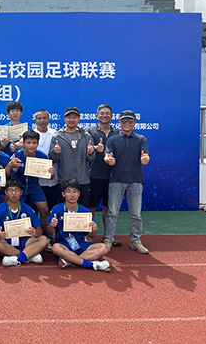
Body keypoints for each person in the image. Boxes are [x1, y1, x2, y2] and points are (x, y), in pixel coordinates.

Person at [103, 110, 151, 254]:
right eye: (124, 120)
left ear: (134, 123)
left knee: (136, 214)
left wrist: (146, 159)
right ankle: (108, 239)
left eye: (130, 120)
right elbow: (107, 155)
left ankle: (135, 240)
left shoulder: (141, 139)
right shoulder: (112, 139)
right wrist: (108, 159)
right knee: (112, 213)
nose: (127, 123)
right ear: (119, 122)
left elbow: (146, 155)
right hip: (116, 180)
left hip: (135, 180)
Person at [47, 179, 111, 271]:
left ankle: (69, 260)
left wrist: (93, 229)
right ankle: (89, 264)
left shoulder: (85, 211)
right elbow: (50, 232)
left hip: (80, 243)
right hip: (64, 244)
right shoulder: (56, 209)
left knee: (103, 248)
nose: (72, 195)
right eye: (68, 192)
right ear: (63, 194)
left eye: (75, 191)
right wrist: (51, 225)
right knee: (56, 248)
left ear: (79, 194)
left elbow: (92, 235)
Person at [13, 129, 54, 251]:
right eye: (28, 142)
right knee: (18, 212)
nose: (31, 145)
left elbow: (50, 177)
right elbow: (8, 175)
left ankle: (45, 237)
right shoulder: (17, 155)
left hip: (34, 187)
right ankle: (17, 238)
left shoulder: (42, 156)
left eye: (34, 143)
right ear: (23, 143)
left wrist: (52, 173)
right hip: (19, 188)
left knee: (44, 210)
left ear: (37, 143)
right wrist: (11, 165)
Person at [0, 179, 48, 267]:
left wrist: (35, 232)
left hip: (25, 241)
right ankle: (28, 255)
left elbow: (39, 230)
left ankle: (17, 259)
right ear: (6, 192)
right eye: (10, 190)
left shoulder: (28, 209)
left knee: (44, 239)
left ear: (21, 192)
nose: (14, 193)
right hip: (7, 242)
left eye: (17, 190)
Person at [48, 107, 95, 208]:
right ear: (65, 118)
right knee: (65, 210)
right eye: (69, 117)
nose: (72, 120)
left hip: (83, 180)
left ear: (78, 119)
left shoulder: (86, 136)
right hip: (64, 180)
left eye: (75, 117)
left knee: (83, 210)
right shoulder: (57, 136)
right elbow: (53, 159)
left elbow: (91, 159)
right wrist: (55, 152)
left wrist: (90, 153)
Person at [87, 104, 120, 244]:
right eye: (102, 113)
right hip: (94, 175)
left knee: (109, 208)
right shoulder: (90, 131)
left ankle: (108, 236)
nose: (104, 115)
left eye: (107, 113)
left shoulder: (117, 133)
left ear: (112, 116)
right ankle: (89, 235)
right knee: (91, 208)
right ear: (97, 115)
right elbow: (85, 150)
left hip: (113, 177)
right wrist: (94, 148)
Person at [33, 109, 60, 208]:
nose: (42, 120)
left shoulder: (55, 134)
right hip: (34, 179)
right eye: (39, 118)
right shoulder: (31, 133)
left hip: (51, 179)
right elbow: (21, 144)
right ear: (35, 120)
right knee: (34, 209)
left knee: (50, 207)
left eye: (44, 118)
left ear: (48, 119)